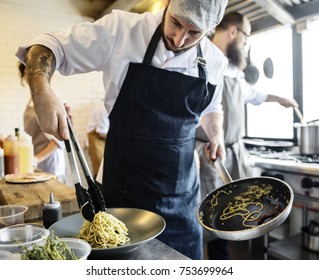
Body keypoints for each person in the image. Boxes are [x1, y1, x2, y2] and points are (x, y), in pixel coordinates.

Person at [16, 0, 229, 260]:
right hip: (121, 197)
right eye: (175, 22)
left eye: (194, 32)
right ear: (168, 3)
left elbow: (211, 109)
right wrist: (42, 90)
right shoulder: (122, 29)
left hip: (182, 203)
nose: (179, 38)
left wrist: (216, 133)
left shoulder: (216, 61)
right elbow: (47, 45)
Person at [195, 11, 298, 259]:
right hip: (208, 155)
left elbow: (253, 95)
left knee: (241, 211)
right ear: (233, 32)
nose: (245, 43)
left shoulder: (234, 70)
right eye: (246, 37)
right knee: (214, 217)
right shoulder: (201, 58)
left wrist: (280, 99)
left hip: (234, 152)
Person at [18, 62, 67, 184]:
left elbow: (60, 140)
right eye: (26, 73)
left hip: (51, 163)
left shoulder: (52, 99)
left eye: (31, 72)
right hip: (35, 163)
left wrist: (38, 158)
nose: (29, 76)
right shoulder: (31, 100)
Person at [86, 101, 109, 178]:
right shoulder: (103, 108)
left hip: (103, 142)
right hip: (96, 141)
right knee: (100, 173)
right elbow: (101, 133)